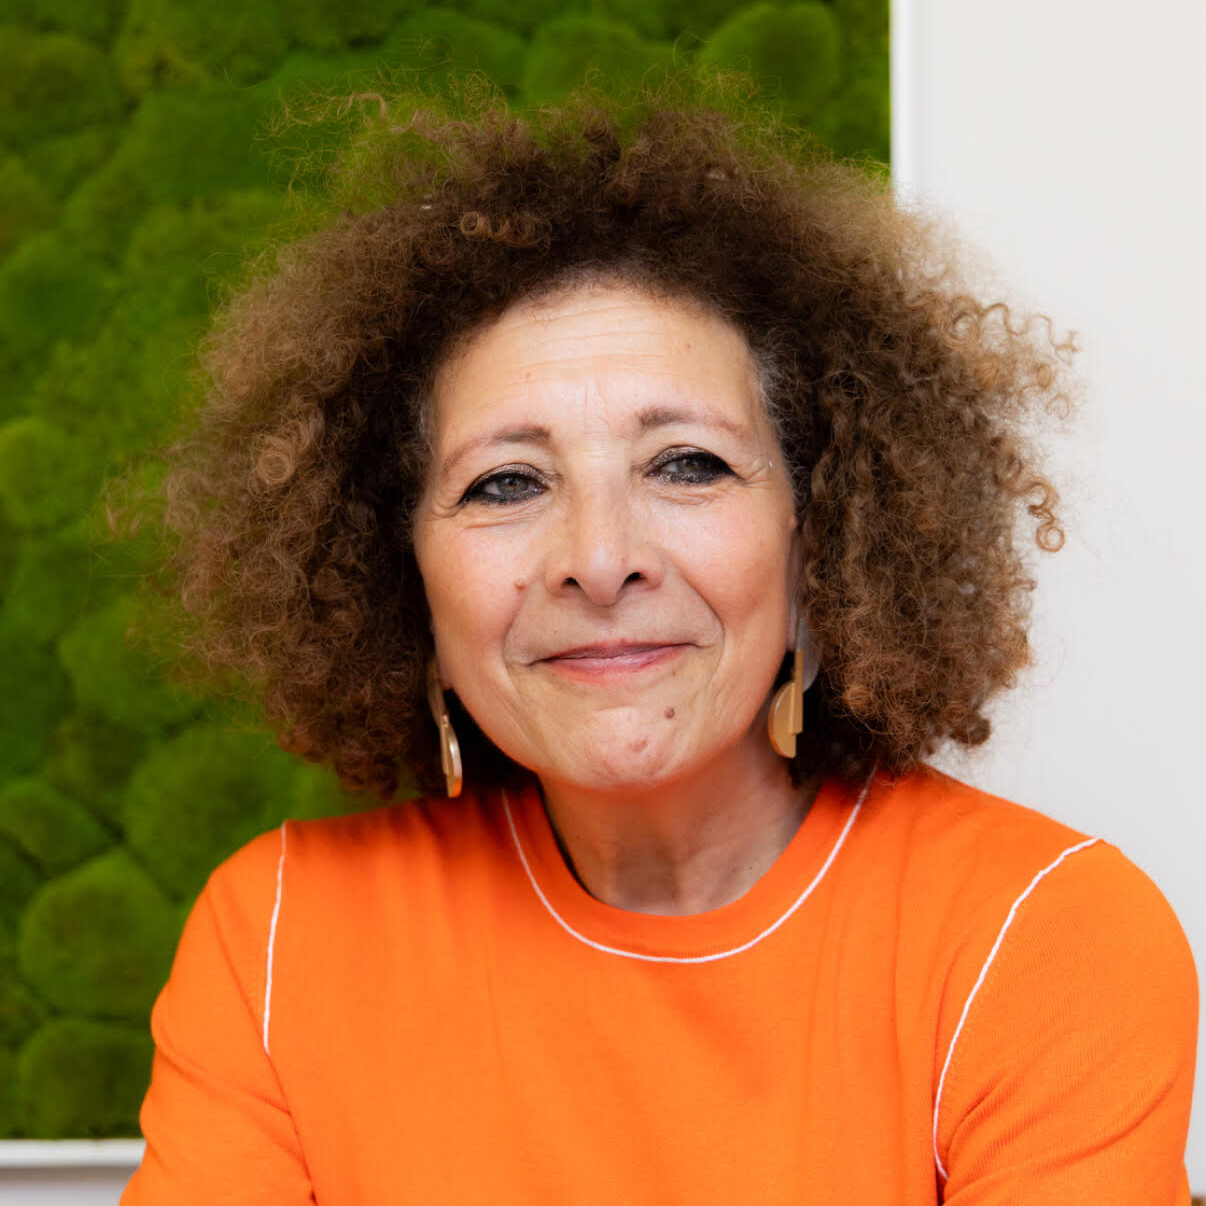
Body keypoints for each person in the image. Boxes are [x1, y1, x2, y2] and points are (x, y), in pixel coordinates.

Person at [120, 73, 1197, 1204]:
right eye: (505, 482)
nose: (600, 558)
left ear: (820, 537)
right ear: (403, 574)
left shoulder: (1043, 932)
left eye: (687, 465)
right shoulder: (276, 935)